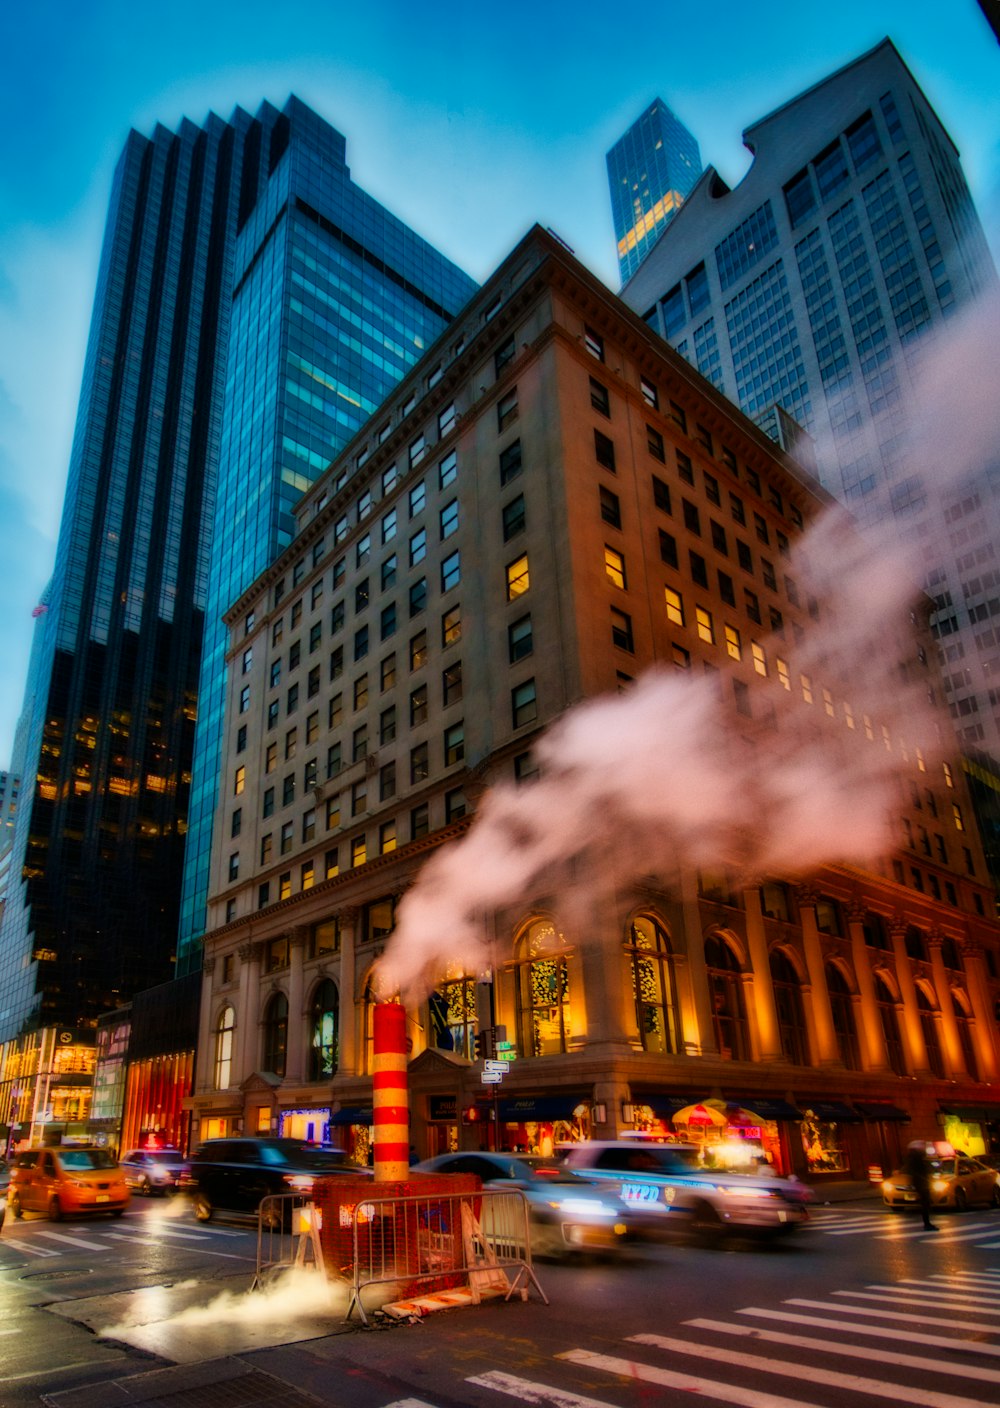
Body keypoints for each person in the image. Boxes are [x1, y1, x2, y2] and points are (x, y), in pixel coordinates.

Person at [903, 1140, 938, 1230]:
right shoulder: (917, 1157)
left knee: (925, 1203)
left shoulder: (914, 1157)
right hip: (921, 1184)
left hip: (920, 1183)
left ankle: (927, 1223)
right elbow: (918, 1171)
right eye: (922, 1147)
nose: (924, 1148)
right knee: (925, 1203)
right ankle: (927, 1224)